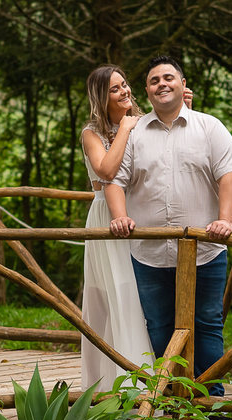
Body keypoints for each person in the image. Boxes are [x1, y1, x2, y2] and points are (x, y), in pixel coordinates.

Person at [105, 55, 232, 397]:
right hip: (149, 253)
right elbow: (114, 181)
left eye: (169, 78)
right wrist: (119, 216)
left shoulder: (209, 126)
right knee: (159, 327)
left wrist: (226, 220)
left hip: (206, 250)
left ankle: (211, 403)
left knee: (208, 325)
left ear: (183, 86)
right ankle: (167, 403)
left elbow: (228, 176)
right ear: (148, 93)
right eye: (154, 81)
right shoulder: (135, 134)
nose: (161, 84)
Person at [78, 66, 194, 393]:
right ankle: (115, 386)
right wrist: (126, 129)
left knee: (143, 297)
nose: (125, 91)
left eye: (125, 84)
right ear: (103, 97)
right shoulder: (92, 133)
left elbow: (173, 146)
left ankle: (149, 381)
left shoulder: (141, 122)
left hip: (140, 215)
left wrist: (184, 107)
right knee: (118, 294)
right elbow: (106, 170)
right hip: (108, 217)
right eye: (115, 89)